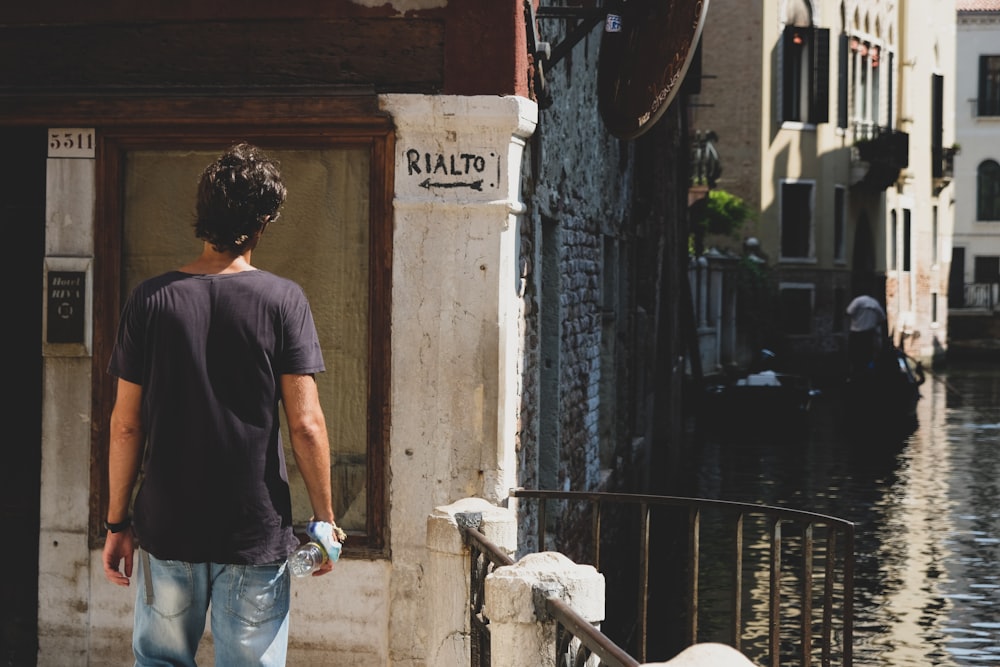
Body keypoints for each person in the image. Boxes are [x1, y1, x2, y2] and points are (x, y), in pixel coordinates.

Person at [102, 142, 338, 667]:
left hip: (167, 527)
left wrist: (118, 524)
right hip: (253, 531)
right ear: (265, 221)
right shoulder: (284, 301)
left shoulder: (150, 300)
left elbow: (124, 426)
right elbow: (305, 423)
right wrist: (325, 520)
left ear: (202, 215)